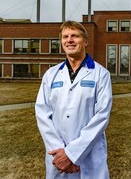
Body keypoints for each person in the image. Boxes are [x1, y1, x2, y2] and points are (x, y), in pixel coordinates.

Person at [35, 20, 113, 179]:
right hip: (57, 154)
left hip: (89, 154)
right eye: (65, 37)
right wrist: (61, 153)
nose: (69, 40)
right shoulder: (51, 75)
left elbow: (102, 117)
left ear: (85, 41)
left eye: (75, 36)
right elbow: (42, 114)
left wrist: (72, 154)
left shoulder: (101, 74)